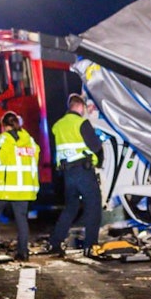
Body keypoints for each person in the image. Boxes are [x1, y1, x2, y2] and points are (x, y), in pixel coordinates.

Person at [0, 111, 40, 261]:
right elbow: (35, 158)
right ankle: (23, 252)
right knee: (21, 219)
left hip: (7, 188)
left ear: (4, 126)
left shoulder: (4, 138)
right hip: (24, 188)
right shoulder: (30, 141)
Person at [48, 94, 103, 257]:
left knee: (70, 208)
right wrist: (99, 162)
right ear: (80, 107)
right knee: (93, 207)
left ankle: (55, 242)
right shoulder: (81, 123)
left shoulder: (57, 125)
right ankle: (90, 246)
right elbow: (96, 146)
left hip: (67, 173)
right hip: (84, 171)